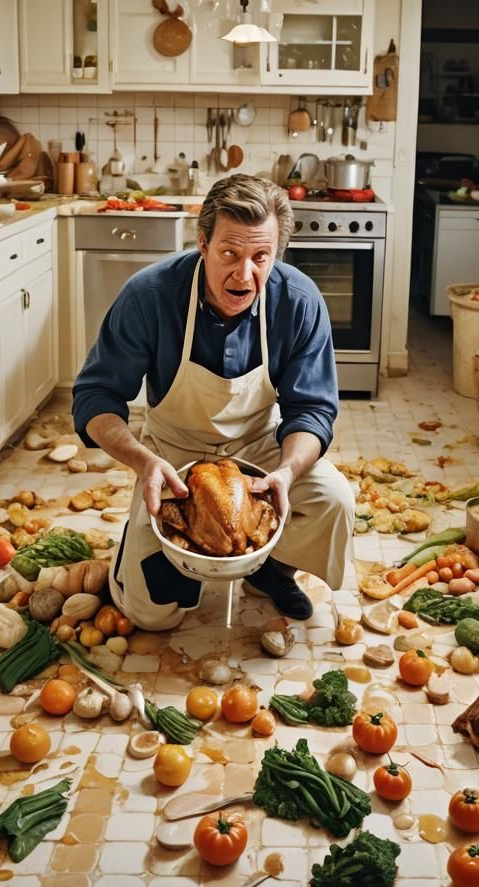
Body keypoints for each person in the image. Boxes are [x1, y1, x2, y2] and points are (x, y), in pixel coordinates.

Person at [72, 174, 354, 631]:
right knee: (151, 615)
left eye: (261, 257)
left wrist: (285, 472)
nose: (245, 275)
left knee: (334, 498)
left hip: (260, 451)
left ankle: (271, 570)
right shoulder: (149, 297)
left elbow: (312, 411)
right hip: (172, 459)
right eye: (230, 254)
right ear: (202, 243)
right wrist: (143, 462)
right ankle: (138, 548)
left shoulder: (299, 301)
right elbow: (95, 398)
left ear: (276, 253)